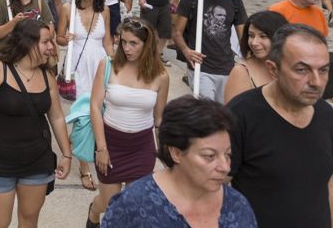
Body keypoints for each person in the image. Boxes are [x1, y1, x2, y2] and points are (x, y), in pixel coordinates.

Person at [228, 24, 333, 228]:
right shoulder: (241, 114)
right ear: (273, 69)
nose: (316, 82)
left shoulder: (325, 113)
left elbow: (327, 181)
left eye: (323, 70)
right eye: (302, 70)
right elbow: (216, 187)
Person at [0, 19, 72, 228]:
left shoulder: (47, 76)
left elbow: (57, 117)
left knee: (28, 219)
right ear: (28, 42)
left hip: (37, 160)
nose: (52, 47)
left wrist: (67, 154)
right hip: (0, 161)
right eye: (46, 42)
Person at [102, 96, 257, 227]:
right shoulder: (133, 205)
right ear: (176, 153)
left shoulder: (238, 206)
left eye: (228, 155)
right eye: (210, 156)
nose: (224, 167)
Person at [86, 18, 170, 227]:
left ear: (147, 44)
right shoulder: (108, 65)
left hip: (142, 147)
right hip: (111, 143)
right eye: (123, 42)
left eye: (133, 43)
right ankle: (93, 212)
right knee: (108, 203)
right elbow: (95, 107)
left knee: (134, 206)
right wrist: (101, 149)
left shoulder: (161, 75)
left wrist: (168, 153)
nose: (126, 48)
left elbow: (159, 119)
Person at [56, 0, 113, 191]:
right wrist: (65, 38)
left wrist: (113, 65)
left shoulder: (105, 10)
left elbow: (107, 40)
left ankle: (96, 149)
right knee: (83, 116)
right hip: (78, 67)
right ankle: (84, 167)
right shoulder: (67, 9)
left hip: (100, 66)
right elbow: (59, 38)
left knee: (100, 112)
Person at [172, 0, 247, 103]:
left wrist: (247, 61)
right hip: (200, 68)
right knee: (207, 113)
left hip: (227, 67)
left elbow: (243, 35)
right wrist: (186, 51)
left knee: (224, 113)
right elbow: (176, 32)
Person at [223, 11, 288, 103]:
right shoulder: (241, 72)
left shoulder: (290, 67)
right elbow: (231, 114)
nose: (254, 42)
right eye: (251, 36)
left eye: (263, 36)